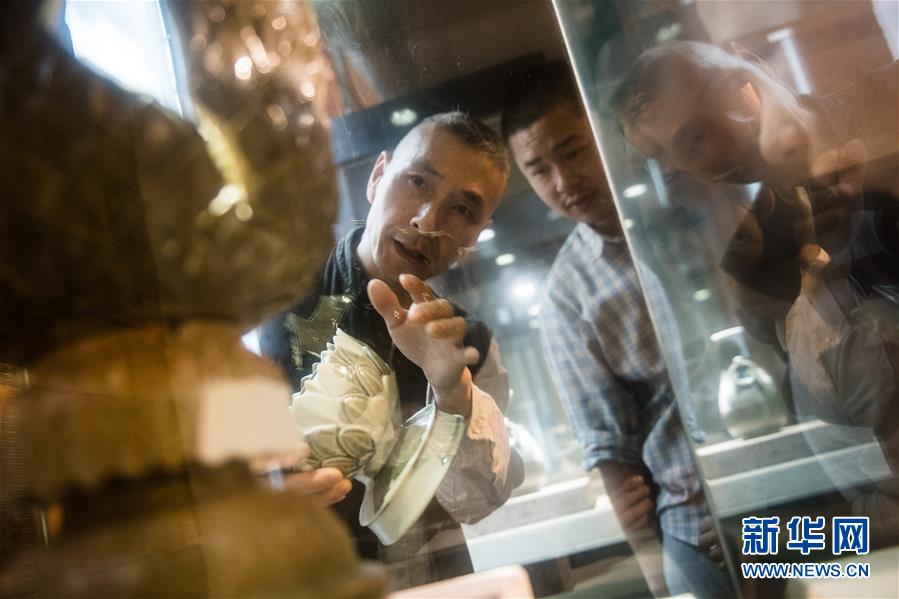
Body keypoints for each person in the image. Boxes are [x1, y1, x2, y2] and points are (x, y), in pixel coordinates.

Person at [612, 40, 899, 544]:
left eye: (692, 137)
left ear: (750, 64)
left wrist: (774, 540)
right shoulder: (781, 243)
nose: (688, 167)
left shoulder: (877, 130)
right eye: (669, 157)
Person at [259, 112, 520, 587]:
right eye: (417, 181)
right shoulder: (271, 301)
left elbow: (478, 503)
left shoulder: (471, 344)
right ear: (378, 176)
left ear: (478, 232)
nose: (428, 220)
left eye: (463, 210)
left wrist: (453, 394)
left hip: (435, 584)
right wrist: (257, 493)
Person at [502, 61, 732, 599]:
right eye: (539, 170)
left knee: (859, 568)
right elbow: (616, 467)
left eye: (573, 151)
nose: (563, 182)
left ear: (604, 131)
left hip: (798, 485)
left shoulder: (697, 201)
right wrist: (659, 583)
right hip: (698, 526)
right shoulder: (567, 295)